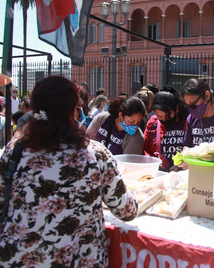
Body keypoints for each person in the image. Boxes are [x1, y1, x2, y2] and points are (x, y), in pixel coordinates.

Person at [0, 76, 137, 267]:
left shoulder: (14, 150)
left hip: (19, 258)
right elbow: (127, 211)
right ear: (74, 109)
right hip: (79, 259)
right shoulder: (95, 154)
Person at [144, 86, 189, 171]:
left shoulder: (187, 121)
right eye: (160, 116)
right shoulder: (153, 122)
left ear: (176, 108)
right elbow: (145, 149)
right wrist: (153, 162)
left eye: (168, 116)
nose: (164, 119)